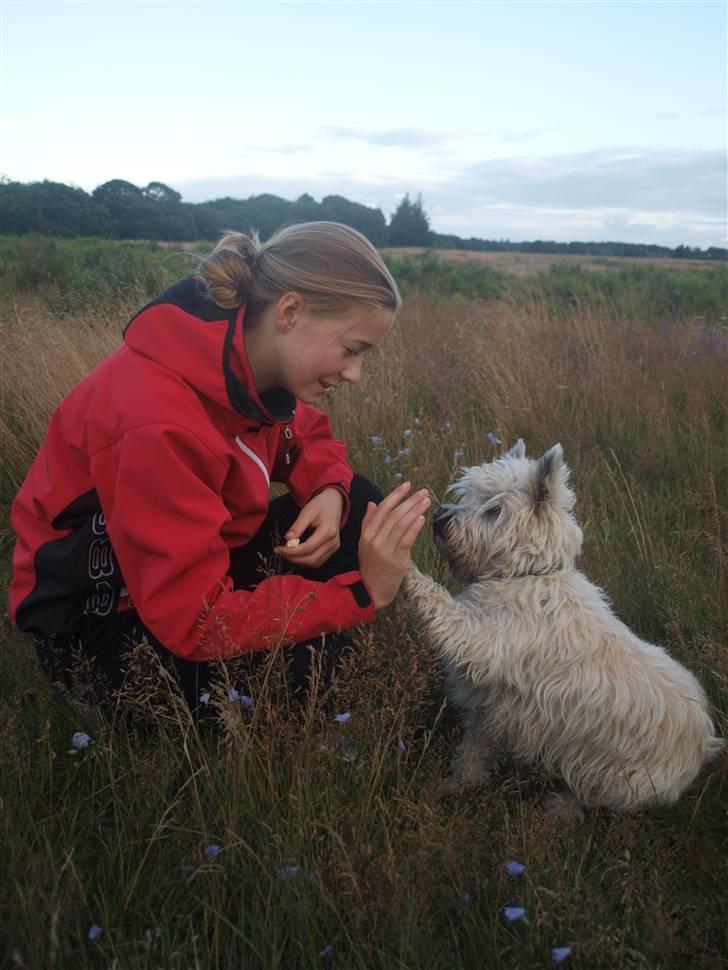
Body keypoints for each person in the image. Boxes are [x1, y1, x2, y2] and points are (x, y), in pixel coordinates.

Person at [8, 222, 430, 711]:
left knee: (361, 505)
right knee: (311, 672)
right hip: (98, 629)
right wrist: (360, 594)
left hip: (183, 577)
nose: (355, 375)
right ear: (290, 311)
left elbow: (305, 433)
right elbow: (196, 620)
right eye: (352, 350)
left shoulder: (244, 365)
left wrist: (328, 491)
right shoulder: (157, 422)